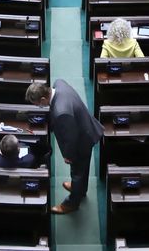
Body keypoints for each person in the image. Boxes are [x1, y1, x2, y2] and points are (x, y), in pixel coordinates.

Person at [26, 80, 103, 214]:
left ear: (44, 98)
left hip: (81, 141)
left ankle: (72, 203)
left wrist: (69, 156)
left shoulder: (61, 112)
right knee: (82, 168)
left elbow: (70, 138)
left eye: (38, 104)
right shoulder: (59, 84)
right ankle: (80, 189)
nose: (39, 106)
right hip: (86, 127)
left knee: (77, 171)